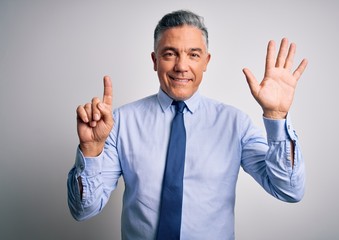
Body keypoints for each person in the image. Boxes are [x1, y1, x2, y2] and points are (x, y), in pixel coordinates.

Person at [67, 9, 307, 240]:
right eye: (170, 54)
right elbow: (83, 209)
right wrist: (91, 150)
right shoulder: (120, 123)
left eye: (193, 54)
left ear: (206, 61)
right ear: (154, 60)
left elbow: (288, 190)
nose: (181, 66)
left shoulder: (236, 124)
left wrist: (276, 116)